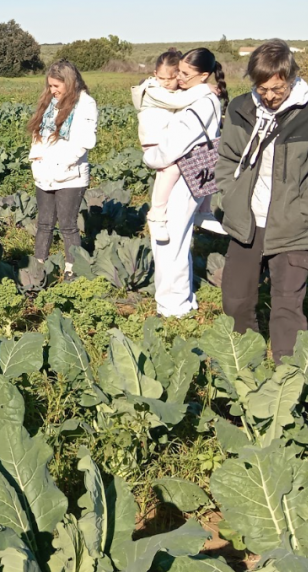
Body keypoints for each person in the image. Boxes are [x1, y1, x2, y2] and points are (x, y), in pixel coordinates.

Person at [216, 40, 308, 361]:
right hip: (248, 220)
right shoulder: (240, 108)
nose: (269, 96)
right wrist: (230, 196)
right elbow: (227, 158)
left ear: (292, 78)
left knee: (287, 307)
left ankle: (289, 376)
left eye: (277, 89)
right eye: (262, 88)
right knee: (235, 301)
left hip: (294, 224)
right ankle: (246, 365)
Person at [142, 47, 227, 317]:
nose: (179, 77)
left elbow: (176, 143)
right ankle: (178, 301)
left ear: (203, 76)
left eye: (186, 74)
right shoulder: (199, 96)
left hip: (185, 176)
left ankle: (174, 307)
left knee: (171, 242)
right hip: (191, 174)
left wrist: (151, 157)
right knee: (175, 238)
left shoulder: (202, 102)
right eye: (178, 71)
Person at [28, 60, 99, 281]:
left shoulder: (85, 104)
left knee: (68, 226)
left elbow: (85, 142)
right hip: (44, 172)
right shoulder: (50, 103)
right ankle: (38, 269)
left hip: (70, 175)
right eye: (50, 86)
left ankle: (72, 270)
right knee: (44, 224)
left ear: (69, 82)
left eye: (56, 86)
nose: (52, 90)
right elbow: (38, 134)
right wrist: (36, 159)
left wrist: (61, 163)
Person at [132, 49, 203, 242]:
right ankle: (156, 215)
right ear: (155, 74)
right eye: (162, 78)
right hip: (154, 142)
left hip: (169, 142)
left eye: (171, 78)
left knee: (203, 164)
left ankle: (203, 210)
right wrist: (204, 88)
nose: (166, 83)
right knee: (170, 170)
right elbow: (177, 101)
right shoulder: (152, 89)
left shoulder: (175, 90)